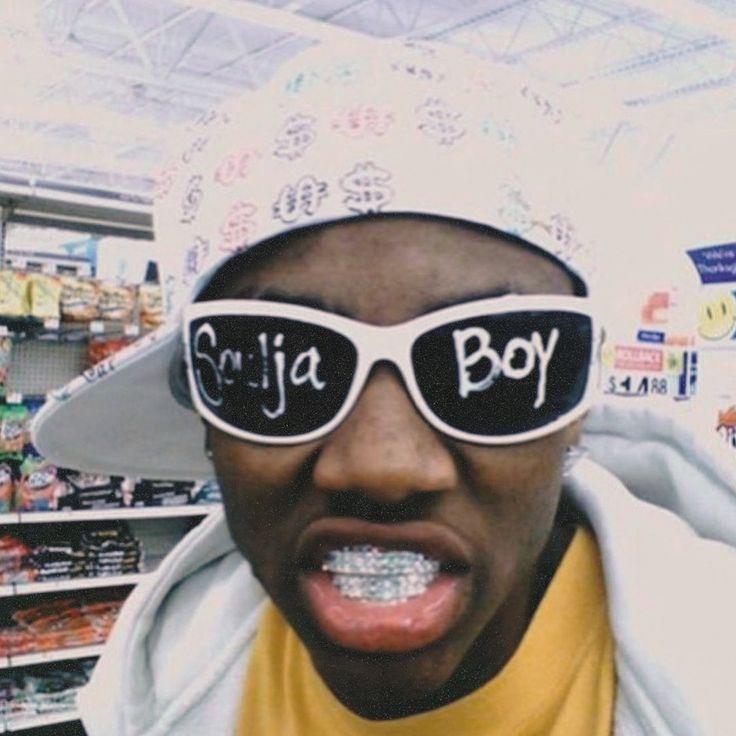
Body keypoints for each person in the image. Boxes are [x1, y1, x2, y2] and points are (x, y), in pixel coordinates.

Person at [32, 39, 736, 736]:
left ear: (578, 403)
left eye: (489, 362)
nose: (384, 466)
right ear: (205, 414)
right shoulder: (157, 672)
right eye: (277, 365)